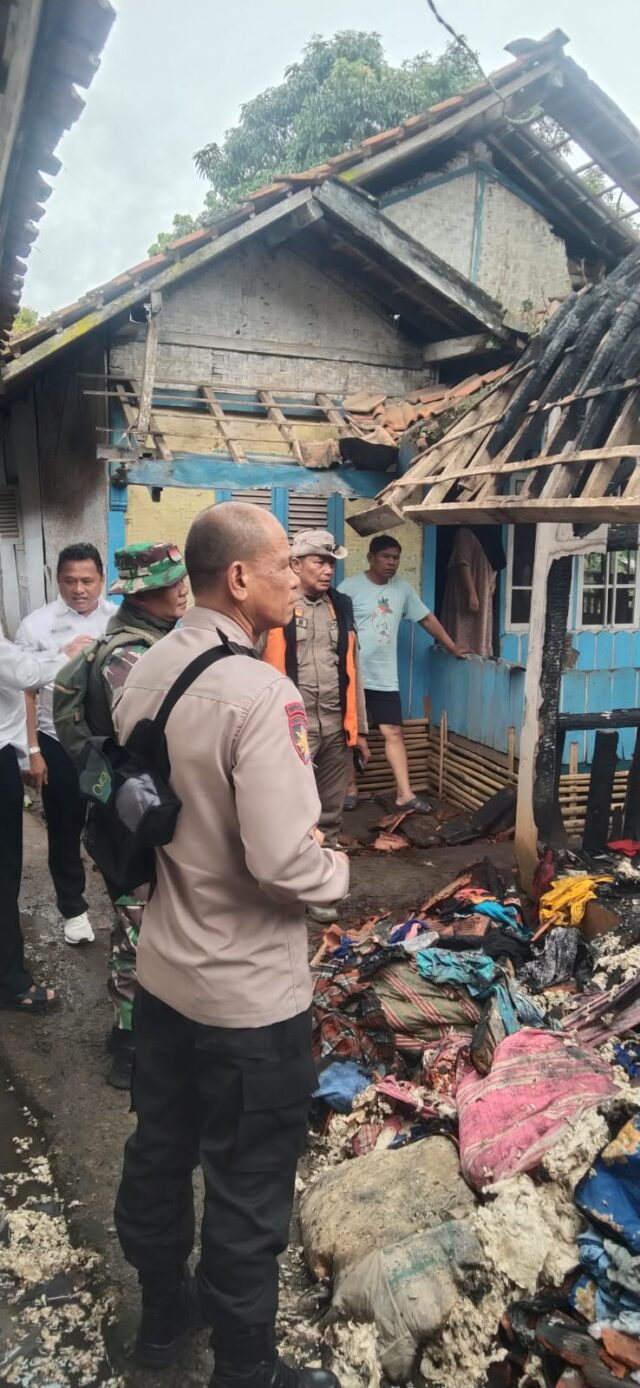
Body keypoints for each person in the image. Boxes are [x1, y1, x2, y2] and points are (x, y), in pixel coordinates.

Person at [112, 502, 348, 1387]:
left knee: (161, 1147)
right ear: (239, 578)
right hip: (250, 998)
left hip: (166, 977)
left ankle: (163, 1324)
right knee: (249, 1184)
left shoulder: (150, 664)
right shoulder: (260, 692)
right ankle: (247, 1367)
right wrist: (339, 874)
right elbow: (284, 861)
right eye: (285, 562)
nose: (299, 575)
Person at [54, 540, 188, 1089]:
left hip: (131, 807)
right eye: (169, 583)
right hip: (131, 815)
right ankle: (130, 1046)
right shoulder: (129, 656)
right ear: (142, 592)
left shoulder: (150, 642)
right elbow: (147, 738)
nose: (181, 588)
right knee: (137, 926)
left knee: (146, 921)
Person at [14, 544, 118, 946]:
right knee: (64, 828)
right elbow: (26, 691)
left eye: (87, 580)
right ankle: (73, 909)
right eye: (69, 581)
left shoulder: (117, 619)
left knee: (115, 822)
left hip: (107, 742)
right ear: (57, 580)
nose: (79, 589)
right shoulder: (36, 625)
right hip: (57, 742)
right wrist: (33, 751)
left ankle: (123, 901)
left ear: (101, 578)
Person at [0, 625, 93, 1013]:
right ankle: (10, 982)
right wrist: (66, 653)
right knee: (4, 872)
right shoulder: (39, 623)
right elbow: (23, 674)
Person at [339, 533, 465, 812]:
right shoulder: (349, 588)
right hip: (352, 674)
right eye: (386, 556)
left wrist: (452, 646)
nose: (392, 563)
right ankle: (350, 788)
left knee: (393, 731)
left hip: (384, 675)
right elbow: (333, 628)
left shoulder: (403, 589)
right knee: (349, 733)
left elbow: (427, 619)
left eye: (396, 557)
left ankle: (405, 794)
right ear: (371, 558)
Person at [261, 528, 370, 848]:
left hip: (336, 728)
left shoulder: (341, 607)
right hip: (290, 728)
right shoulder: (273, 607)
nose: (328, 570)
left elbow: (354, 670)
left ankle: (326, 875)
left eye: (331, 564)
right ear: (295, 565)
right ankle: (291, 875)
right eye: (319, 562)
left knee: (330, 813)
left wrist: (360, 730)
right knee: (288, 808)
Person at [441, 527, 506, 659]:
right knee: (462, 626)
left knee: (480, 629)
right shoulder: (464, 532)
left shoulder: (492, 534)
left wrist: (492, 582)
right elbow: (463, 563)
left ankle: (480, 656)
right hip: (466, 590)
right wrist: (472, 592)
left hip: (484, 587)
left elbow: (496, 562)